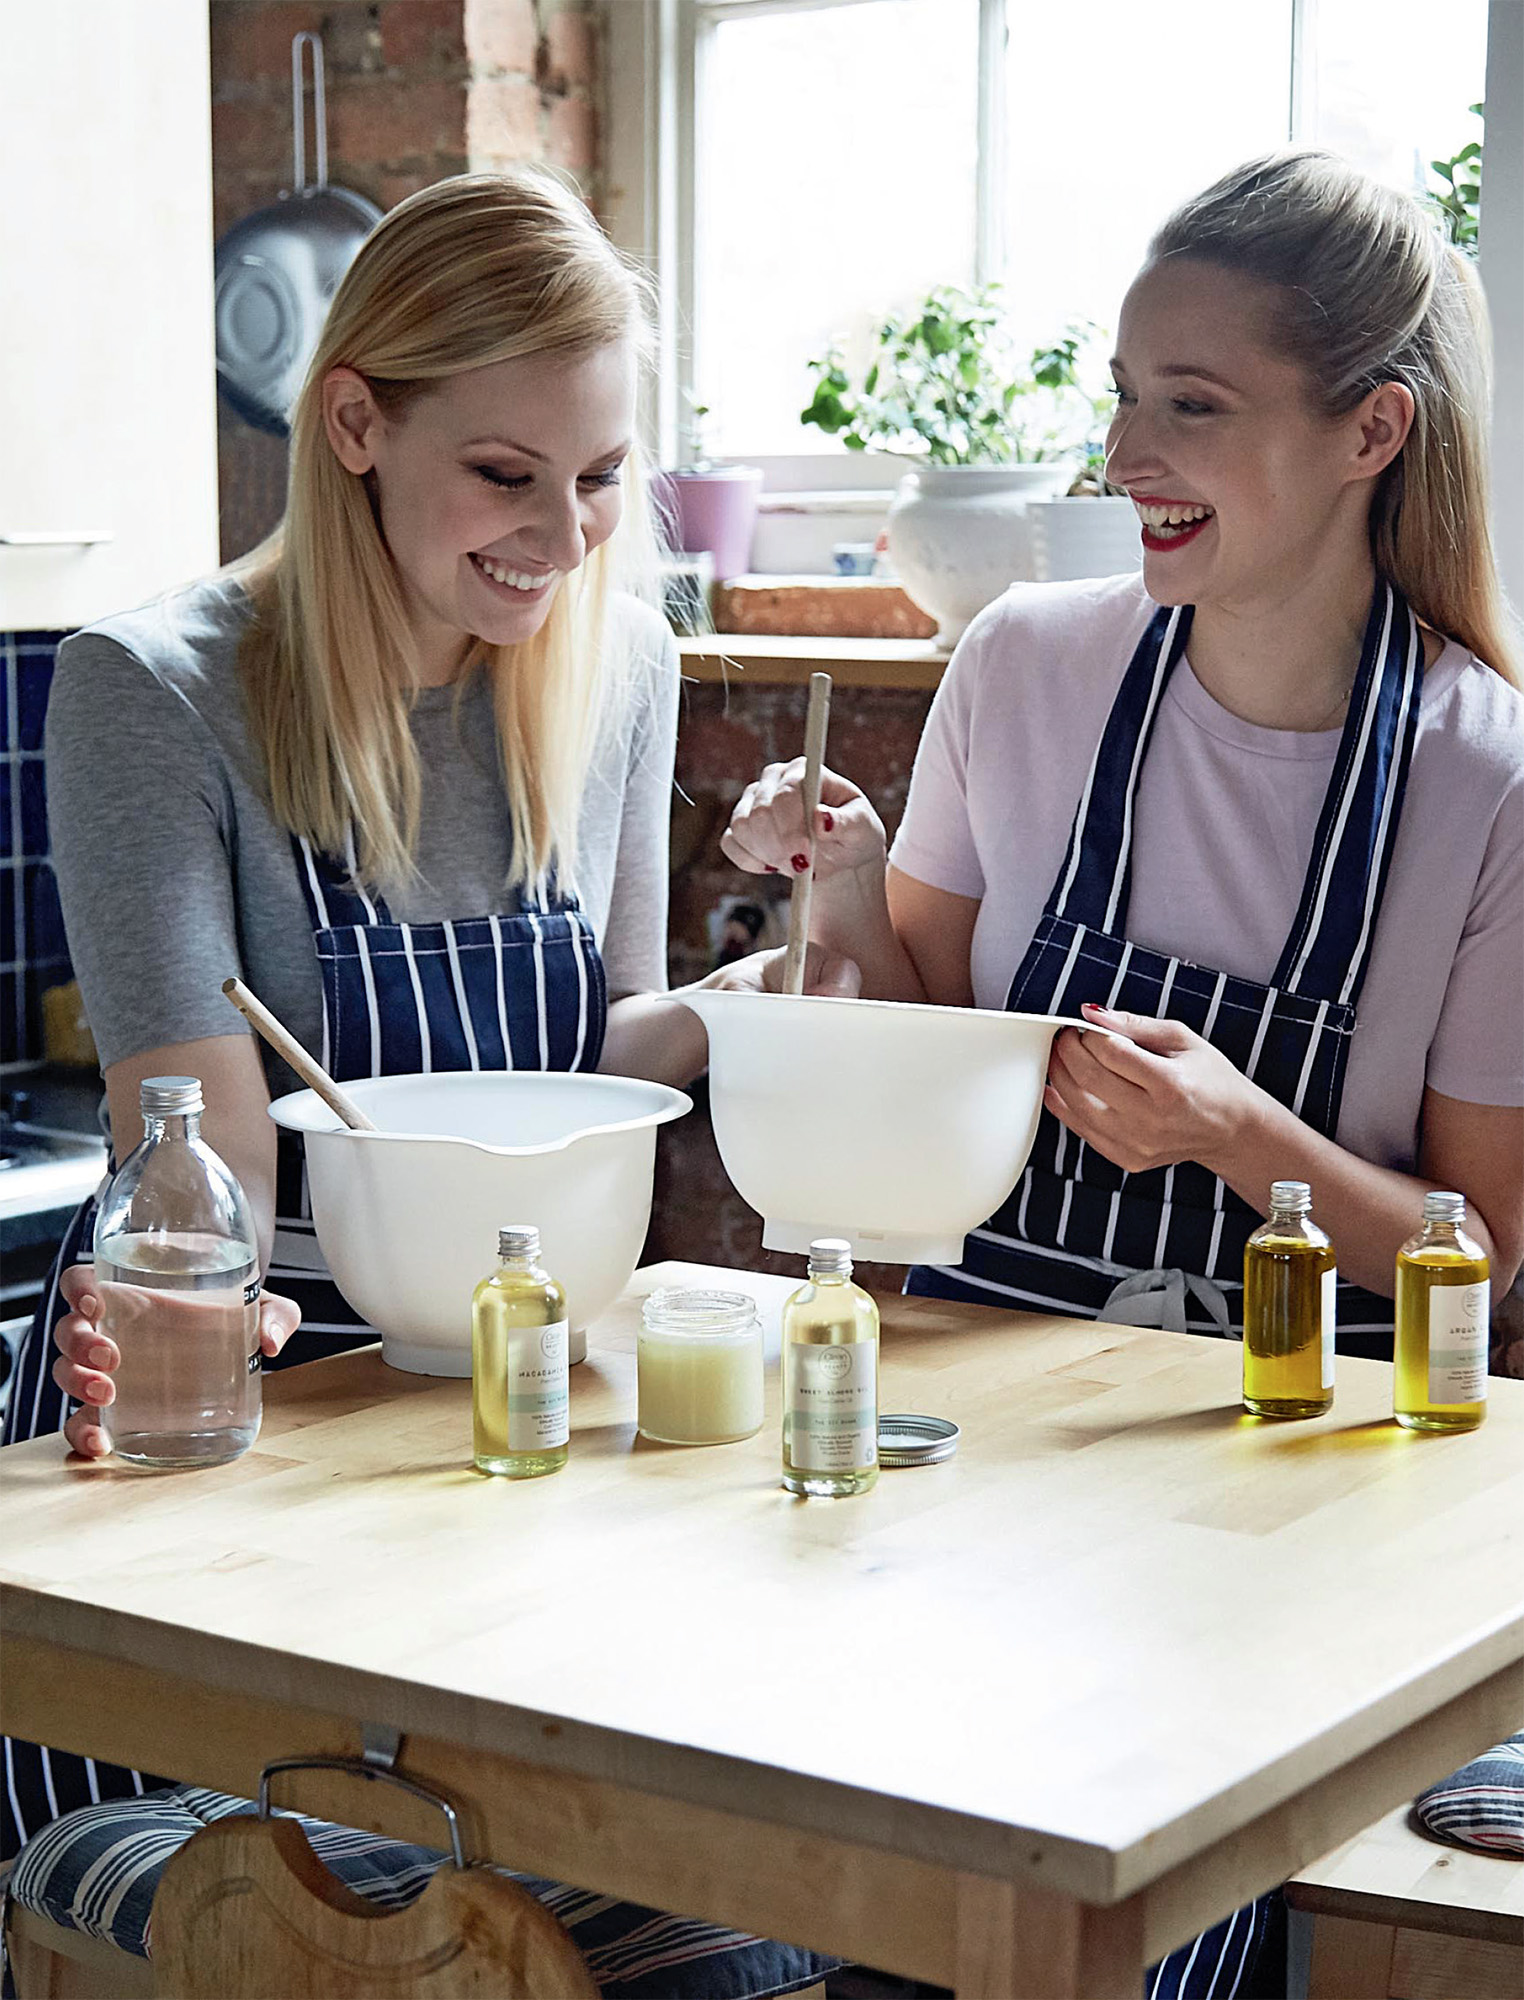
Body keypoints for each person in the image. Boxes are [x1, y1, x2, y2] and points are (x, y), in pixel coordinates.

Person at [723, 149, 1524, 1999]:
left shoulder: (1485, 784)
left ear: (1371, 431)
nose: (1124, 455)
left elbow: (1479, 1268)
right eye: (1121, 395)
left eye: (1194, 406)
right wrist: (839, 870)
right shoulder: (1026, 666)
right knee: (871, 1917)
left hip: (1281, 1494)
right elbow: (919, 1013)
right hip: (982, 1434)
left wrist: (1239, 1133)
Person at [0, 168, 795, 1921]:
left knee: (592, 1904)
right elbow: (189, 1166)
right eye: (505, 477)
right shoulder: (157, 690)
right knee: (303, 1919)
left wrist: (778, 1003)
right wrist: (209, 1312)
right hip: (251, 1402)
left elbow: (600, 1049)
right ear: (353, 421)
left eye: (601, 480)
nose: (565, 537)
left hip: (513, 1414)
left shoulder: (617, 661)